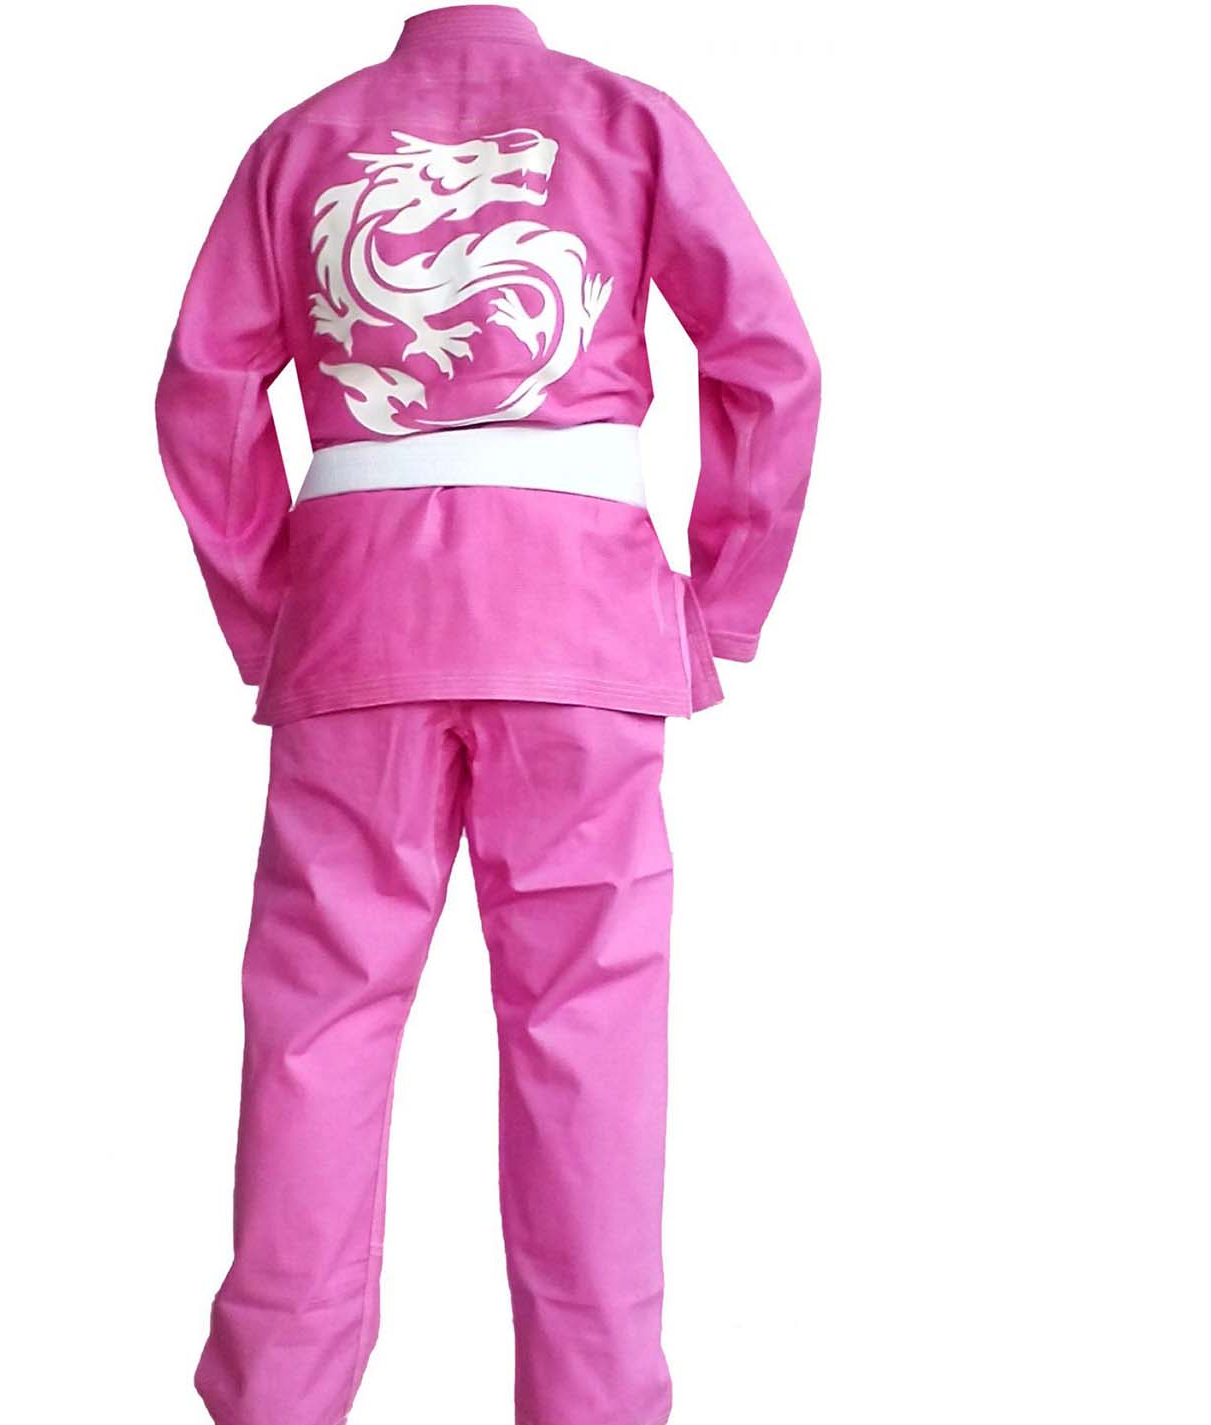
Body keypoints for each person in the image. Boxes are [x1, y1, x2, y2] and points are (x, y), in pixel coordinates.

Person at [154, 7, 821, 1424]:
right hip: (579, 624)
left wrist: (273, 609)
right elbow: (767, 359)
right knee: (591, 1021)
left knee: (318, 1016)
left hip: (358, 622)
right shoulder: (628, 122)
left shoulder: (303, 138)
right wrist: (723, 601)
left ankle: (275, 1397)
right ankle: (596, 1401)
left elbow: (204, 392)